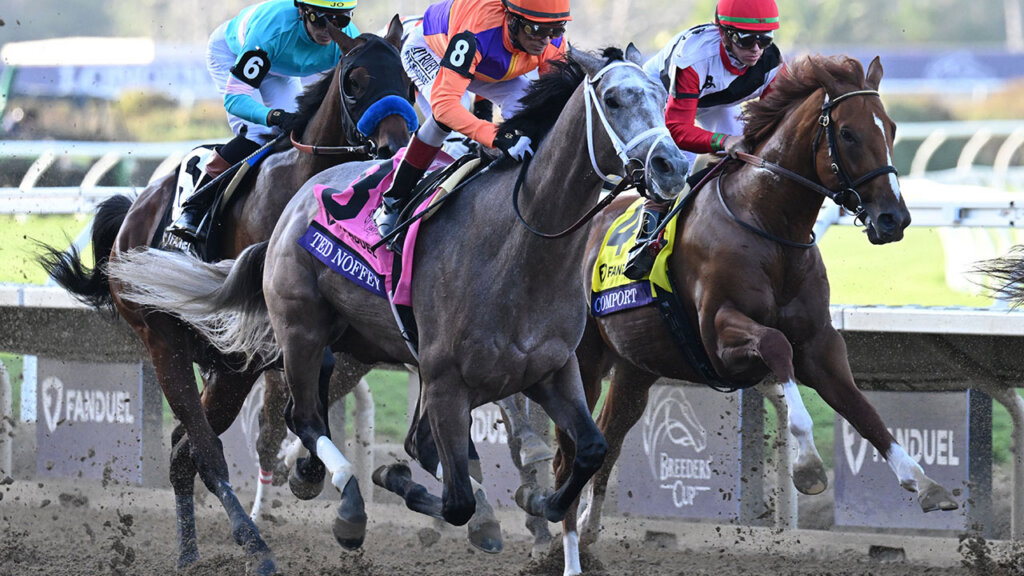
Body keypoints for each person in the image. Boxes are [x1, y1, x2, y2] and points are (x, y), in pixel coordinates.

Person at [372, 0, 571, 240]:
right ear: (512, 20)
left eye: (556, 29)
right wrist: (498, 136)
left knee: (528, 106)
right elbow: (445, 107)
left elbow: (553, 107)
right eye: (536, 30)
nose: (546, 40)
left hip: (486, 65)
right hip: (432, 51)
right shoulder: (477, 30)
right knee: (453, 112)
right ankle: (393, 200)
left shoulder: (551, 40)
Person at [168, 0, 361, 243]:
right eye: (320, 19)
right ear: (302, 11)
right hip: (232, 53)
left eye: (340, 20)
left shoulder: (347, 41)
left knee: (298, 136)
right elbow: (235, 99)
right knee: (259, 133)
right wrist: (273, 116)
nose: (329, 30)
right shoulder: (273, 31)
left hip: (280, 70)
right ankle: (194, 209)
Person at [623, 0, 783, 279]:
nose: (756, 49)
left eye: (764, 39)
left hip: (716, 103)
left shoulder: (772, 62)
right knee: (674, 172)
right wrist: (723, 141)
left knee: (749, 154)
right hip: (663, 100)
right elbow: (676, 128)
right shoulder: (695, 57)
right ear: (724, 33)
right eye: (746, 39)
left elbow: (770, 126)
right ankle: (645, 240)